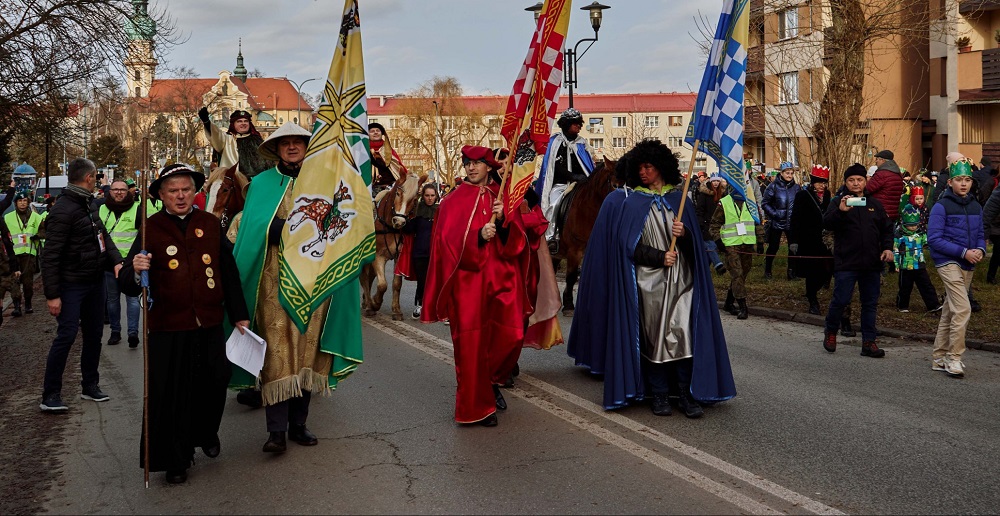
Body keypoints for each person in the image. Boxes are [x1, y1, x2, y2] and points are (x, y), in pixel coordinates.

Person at [567, 140, 735, 417]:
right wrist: (658, 257)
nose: (644, 172)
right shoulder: (632, 203)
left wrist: (686, 236)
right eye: (640, 167)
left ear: (661, 167)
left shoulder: (679, 201)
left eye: (649, 167)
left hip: (683, 282)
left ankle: (683, 393)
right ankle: (658, 395)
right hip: (647, 284)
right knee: (655, 340)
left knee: (684, 337)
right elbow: (626, 246)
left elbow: (697, 248)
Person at [231, 122, 362, 451]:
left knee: (307, 351)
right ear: (275, 149)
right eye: (285, 143)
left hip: (315, 285)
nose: (291, 147)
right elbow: (251, 230)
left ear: (307, 147)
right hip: (273, 286)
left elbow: (341, 228)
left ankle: (298, 424)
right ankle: (276, 431)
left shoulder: (325, 184)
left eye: (298, 142)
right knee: (277, 353)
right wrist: (278, 229)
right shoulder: (261, 184)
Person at [120, 164, 250, 484]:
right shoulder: (151, 228)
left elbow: (229, 273)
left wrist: (239, 314)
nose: (181, 196)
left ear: (195, 192)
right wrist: (135, 269)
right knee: (171, 393)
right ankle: (176, 459)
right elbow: (127, 283)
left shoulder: (209, 223)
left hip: (207, 322)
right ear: (161, 195)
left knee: (216, 379)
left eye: (187, 190)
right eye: (173, 191)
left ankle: (205, 431)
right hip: (168, 326)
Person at [421, 145, 539, 427]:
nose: (471, 168)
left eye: (477, 163)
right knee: (471, 345)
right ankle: (476, 408)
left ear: (489, 167)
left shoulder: (501, 197)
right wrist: (477, 237)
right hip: (468, 283)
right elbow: (446, 243)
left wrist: (507, 220)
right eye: (467, 163)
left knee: (510, 336)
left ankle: (492, 380)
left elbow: (520, 242)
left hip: (503, 280)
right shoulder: (451, 201)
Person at [39, 158, 124, 412]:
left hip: (93, 282)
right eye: (96, 177)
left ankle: (90, 385)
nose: (97, 181)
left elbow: (102, 236)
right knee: (66, 336)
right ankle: (50, 394)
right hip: (70, 285)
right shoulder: (64, 210)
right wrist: (52, 295)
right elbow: (50, 255)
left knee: (94, 335)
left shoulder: (88, 204)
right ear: (89, 178)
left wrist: (117, 261)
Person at [821, 164, 894, 357]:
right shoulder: (838, 202)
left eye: (859, 180)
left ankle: (868, 342)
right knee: (841, 300)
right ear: (845, 182)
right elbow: (827, 223)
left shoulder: (875, 204)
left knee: (869, 303)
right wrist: (842, 211)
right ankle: (830, 331)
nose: (856, 183)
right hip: (847, 262)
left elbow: (887, 228)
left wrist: (887, 247)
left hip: (871, 263)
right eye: (851, 180)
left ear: (865, 181)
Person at [927, 159, 986, 378]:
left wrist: (980, 248)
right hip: (947, 261)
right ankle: (954, 358)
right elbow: (933, 238)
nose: (964, 184)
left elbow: (981, 233)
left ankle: (938, 357)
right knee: (963, 308)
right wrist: (963, 252)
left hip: (968, 262)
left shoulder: (975, 206)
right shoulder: (941, 206)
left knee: (950, 310)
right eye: (959, 180)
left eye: (968, 180)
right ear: (950, 182)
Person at [99, 180, 158, 347]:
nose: (119, 193)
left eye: (122, 190)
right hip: (109, 264)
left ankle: (133, 333)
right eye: (115, 189)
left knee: (132, 299)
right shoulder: (101, 209)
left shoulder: (137, 210)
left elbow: (145, 235)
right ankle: (115, 331)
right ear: (110, 191)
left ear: (128, 192)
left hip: (131, 264)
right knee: (112, 300)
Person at [535, 108, 596, 252]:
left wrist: (586, 178)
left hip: (581, 184)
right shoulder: (555, 142)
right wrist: (573, 176)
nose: (579, 126)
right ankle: (552, 237)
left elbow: (587, 165)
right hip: (561, 184)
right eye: (575, 123)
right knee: (554, 204)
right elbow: (554, 167)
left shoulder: (582, 143)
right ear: (566, 124)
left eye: (579, 124)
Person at [709, 176, 765, 320]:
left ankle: (728, 302)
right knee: (737, 274)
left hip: (747, 244)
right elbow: (714, 225)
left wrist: (760, 242)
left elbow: (757, 223)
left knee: (742, 275)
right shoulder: (724, 203)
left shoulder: (751, 203)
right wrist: (718, 241)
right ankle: (743, 307)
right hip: (730, 245)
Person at [789, 165, 834, 315]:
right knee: (811, 272)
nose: (822, 185)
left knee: (826, 270)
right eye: (819, 182)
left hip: (825, 240)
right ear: (813, 182)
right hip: (808, 239)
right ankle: (812, 299)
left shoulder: (828, 196)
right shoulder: (802, 195)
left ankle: (815, 290)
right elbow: (795, 218)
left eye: (824, 182)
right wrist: (794, 240)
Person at [198, 108, 271, 179]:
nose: (243, 123)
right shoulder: (227, 139)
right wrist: (207, 122)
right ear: (233, 124)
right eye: (239, 121)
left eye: (246, 121)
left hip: (257, 179)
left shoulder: (257, 140)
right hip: (233, 181)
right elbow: (216, 135)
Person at [894, 205, 941, 313]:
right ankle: (902, 305)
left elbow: (927, 242)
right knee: (905, 286)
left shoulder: (920, 233)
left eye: (915, 225)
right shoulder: (899, 235)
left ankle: (933, 304)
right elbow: (895, 250)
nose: (913, 227)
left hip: (919, 263)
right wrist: (896, 264)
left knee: (926, 284)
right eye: (910, 225)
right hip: (905, 265)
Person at [4, 189, 42, 316]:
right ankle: (16, 306)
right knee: (14, 280)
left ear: (28, 202)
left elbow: (45, 230)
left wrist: (38, 236)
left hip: (29, 253)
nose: (22, 203)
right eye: (19, 201)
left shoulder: (36, 217)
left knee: (27, 281)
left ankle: (28, 304)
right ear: (16, 203)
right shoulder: (8, 217)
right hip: (13, 254)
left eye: (24, 200)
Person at [761, 161, 800, 280]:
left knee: (793, 247)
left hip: (791, 223)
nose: (789, 175)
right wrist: (775, 214)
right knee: (774, 247)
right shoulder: (773, 186)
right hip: (777, 222)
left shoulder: (796, 188)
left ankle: (791, 272)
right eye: (787, 173)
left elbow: (800, 203)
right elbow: (765, 203)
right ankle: (767, 270)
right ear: (781, 173)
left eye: (791, 173)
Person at [403, 183, 437, 319]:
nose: (430, 198)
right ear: (423, 196)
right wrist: (404, 217)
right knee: (422, 281)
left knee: (436, 281)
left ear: (436, 196)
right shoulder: (417, 213)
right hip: (420, 253)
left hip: (436, 253)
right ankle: (420, 305)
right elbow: (408, 229)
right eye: (427, 195)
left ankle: (437, 308)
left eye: (432, 195)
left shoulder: (440, 211)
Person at [695, 173, 727, 275]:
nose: (716, 183)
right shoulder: (704, 195)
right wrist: (701, 224)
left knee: (711, 248)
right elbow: (699, 210)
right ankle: (718, 265)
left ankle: (703, 270)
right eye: (714, 181)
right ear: (710, 182)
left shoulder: (723, 195)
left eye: (717, 181)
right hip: (706, 224)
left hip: (720, 225)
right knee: (711, 244)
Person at [368, 122, 407, 193]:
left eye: (378, 131)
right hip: (368, 187)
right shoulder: (364, 150)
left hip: (390, 186)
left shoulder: (389, 150)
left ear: (382, 134)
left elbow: (398, 167)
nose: (375, 133)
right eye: (372, 131)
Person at [0, 220, 19, 329]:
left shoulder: (4, 237)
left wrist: (15, 268)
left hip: (5, 271)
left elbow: (10, 250)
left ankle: (17, 306)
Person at [982, 180, 1000, 284]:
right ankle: (990, 276)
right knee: (998, 252)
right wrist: (984, 236)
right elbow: (988, 213)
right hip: (996, 227)